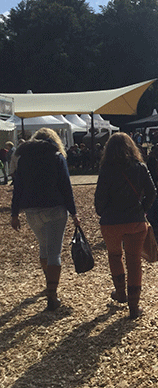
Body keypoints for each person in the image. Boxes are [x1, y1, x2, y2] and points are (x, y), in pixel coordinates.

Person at [11, 128, 80, 311]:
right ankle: (52, 294)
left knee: (44, 247)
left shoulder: (23, 159)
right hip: (55, 207)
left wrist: (14, 213)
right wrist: (74, 212)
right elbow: (66, 186)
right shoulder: (56, 156)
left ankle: (48, 283)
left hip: (31, 210)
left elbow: (18, 187)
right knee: (54, 252)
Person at [94, 133, 157, 319]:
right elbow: (152, 192)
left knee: (115, 256)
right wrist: (142, 210)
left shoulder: (106, 169)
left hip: (111, 222)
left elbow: (100, 198)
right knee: (134, 261)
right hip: (135, 220)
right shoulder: (140, 167)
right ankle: (134, 306)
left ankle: (120, 293)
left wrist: (103, 212)